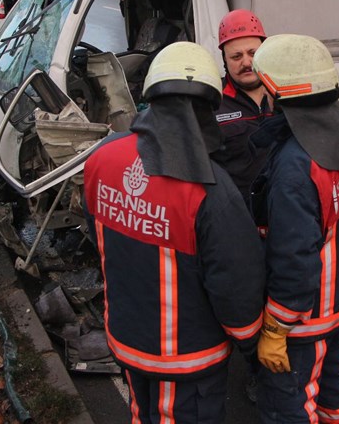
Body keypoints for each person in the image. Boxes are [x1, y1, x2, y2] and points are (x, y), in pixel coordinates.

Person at [82, 42, 265, 423]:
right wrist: (251, 340)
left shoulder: (102, 156)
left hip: (127, 339)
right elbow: (236, 282)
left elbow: (99, 231)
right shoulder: (211, 190)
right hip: (188, 359)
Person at [249, 33, 339, 422]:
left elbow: (293, 259)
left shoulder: (296, 165)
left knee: (288, 404)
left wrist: (275, 330)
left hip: (302, 319)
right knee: (336, 378)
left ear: (280, 90)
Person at [212, 9, 273, 200]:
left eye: (252, 53)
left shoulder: (283, 94)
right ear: (224, 60)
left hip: (281, 209)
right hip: (237, 213)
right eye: (236, 57)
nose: (246, 62)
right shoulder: (212, 102)